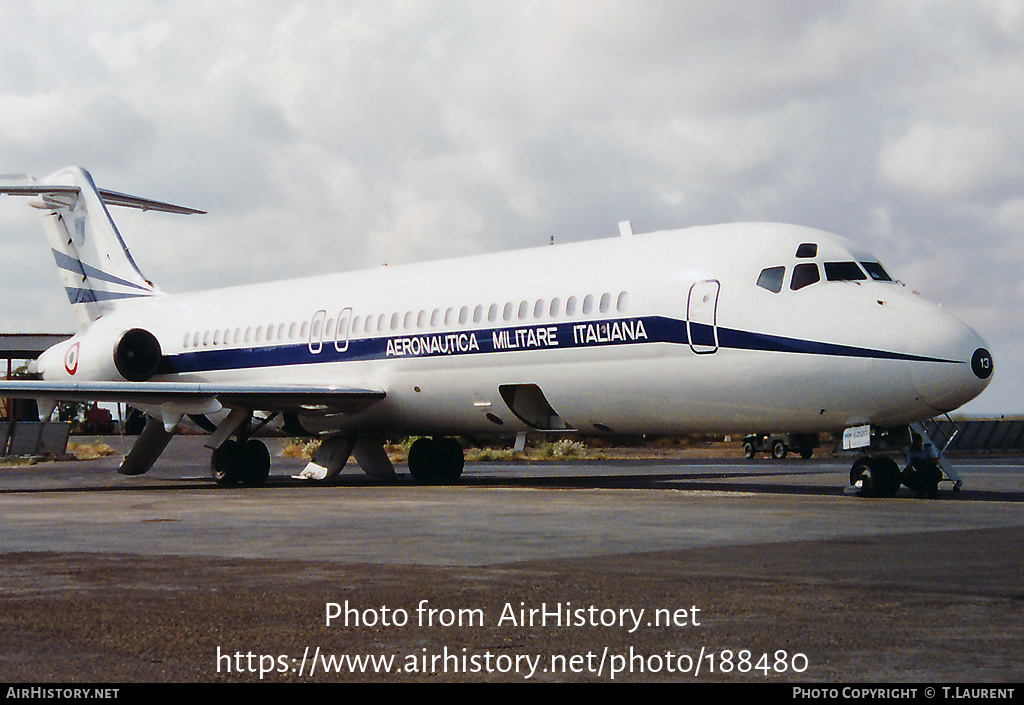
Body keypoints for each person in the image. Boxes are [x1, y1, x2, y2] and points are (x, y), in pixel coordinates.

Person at [903, 432, 942, 497]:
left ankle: (932, 491)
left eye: (915, 443)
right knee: (907, 477)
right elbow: (909, 466)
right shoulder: (911, 452)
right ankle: (920, 490)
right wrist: (902, 476)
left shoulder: (928, 448)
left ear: (920, 441)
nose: (914, 445)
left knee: (932, 471)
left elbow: (936, 461)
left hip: (931, 471)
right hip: (920, 472)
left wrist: (923, 462)